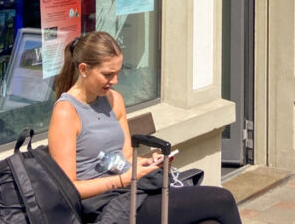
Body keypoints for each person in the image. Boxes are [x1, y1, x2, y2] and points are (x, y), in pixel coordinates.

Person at [48, 31, 241, 223]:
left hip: (132, 189)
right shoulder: (66, 112)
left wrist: (148, 163)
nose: (114, 81)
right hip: (104, 203)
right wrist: (124, 179)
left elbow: (127, 157)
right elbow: (68, 189)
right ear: (83, 69)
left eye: (117, 73)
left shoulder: (113, 99)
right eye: (107, 74)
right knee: (223, 200)